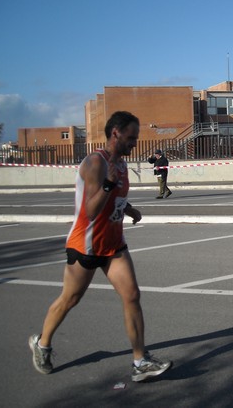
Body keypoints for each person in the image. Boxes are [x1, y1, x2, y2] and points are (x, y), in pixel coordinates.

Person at [29, 111, 171, 382]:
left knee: (132, 296)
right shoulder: (95, 163)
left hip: (113, 244)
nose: (134, 143)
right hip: (86, 245)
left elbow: (115, 199)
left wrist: (130, 209)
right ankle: (42, 343)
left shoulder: (121, 165)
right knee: (70, 299)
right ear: (115, 132)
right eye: (131, 138)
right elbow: (91, 210)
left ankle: (140, 362)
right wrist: (107, 184)